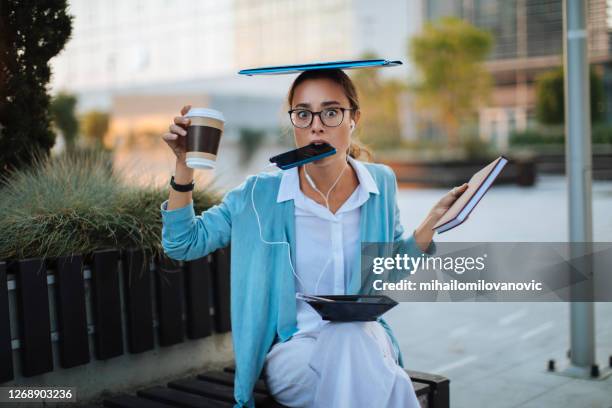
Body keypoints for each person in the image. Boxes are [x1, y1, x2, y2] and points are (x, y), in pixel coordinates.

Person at [160, 68, 468, 408]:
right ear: (293, 121)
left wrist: (431, 223)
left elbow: (389, 271)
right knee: (385, 379)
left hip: (365, 338)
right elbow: (183, 243)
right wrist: (183, 167)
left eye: (331, 112)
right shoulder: (260, 196)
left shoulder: (380, 184)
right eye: (303, 114)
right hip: (295, 353)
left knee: (351, 336)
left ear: (354, 119)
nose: (316, 126)